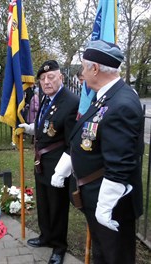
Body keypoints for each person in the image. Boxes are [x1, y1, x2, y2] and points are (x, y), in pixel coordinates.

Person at [62, 40, 144, 263]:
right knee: (102, 253)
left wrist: (104, 208)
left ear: (95, 68)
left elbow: (120, 164)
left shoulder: (122, 103)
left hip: (112, 204)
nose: (82, 73)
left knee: (114, 256)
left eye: (83, 67)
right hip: (95, 194)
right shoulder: (107, 97)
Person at [19, 60, 79, 264]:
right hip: (42, 161)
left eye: (51, 77)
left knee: (58, 207)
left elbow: (73, 141)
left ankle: (59, 246)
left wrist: (63, 170)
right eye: (43, 78)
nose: (46, 81)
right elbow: (46, 123)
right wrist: (31, 128)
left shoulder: (71, 101)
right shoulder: (46, 98)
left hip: (58, 165)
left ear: (61, 77)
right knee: (44, 202)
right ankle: (46, 236)